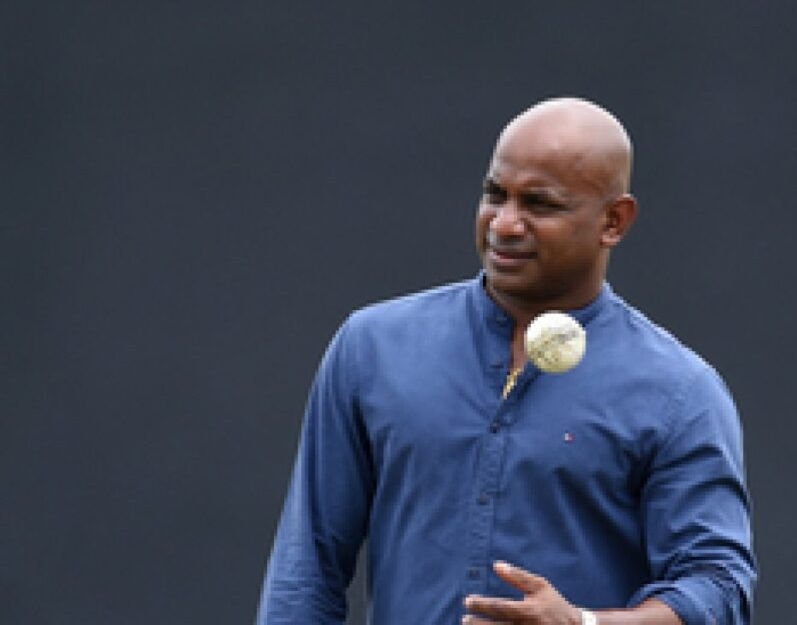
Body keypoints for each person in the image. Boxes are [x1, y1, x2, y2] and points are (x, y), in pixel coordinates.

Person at [257, 98, 756, 624]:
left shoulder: (678, 389)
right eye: (495, 195)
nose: (505, 224)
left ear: (614, 221)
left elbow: (718, 589)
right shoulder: (372, 348)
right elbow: (305, 571)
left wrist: (584, 624)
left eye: (540, 204)